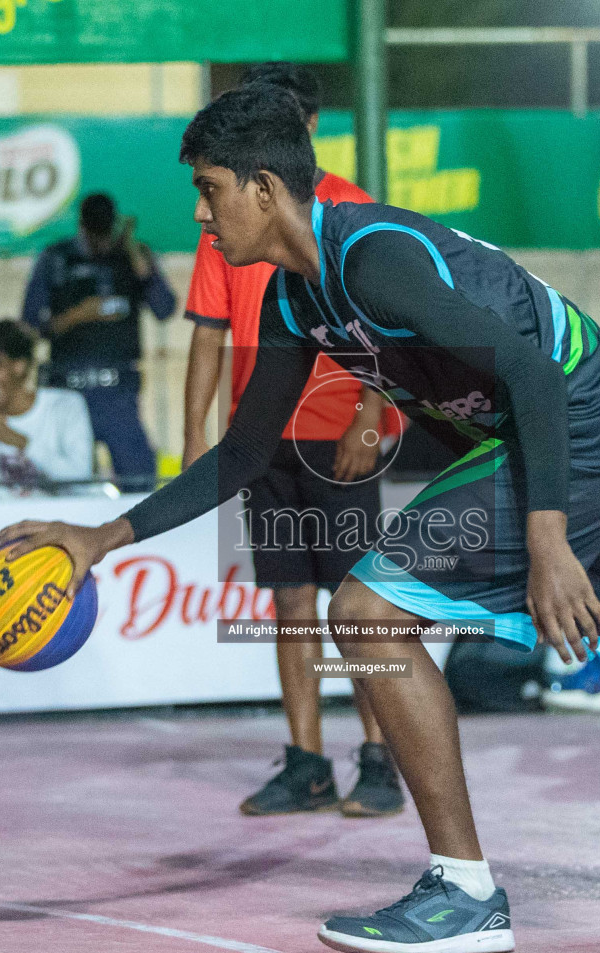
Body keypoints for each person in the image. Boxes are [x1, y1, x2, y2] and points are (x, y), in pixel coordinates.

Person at [0, 86, 600, 953]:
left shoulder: (372, 258)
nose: (199, 215)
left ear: (262, 187)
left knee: (367, 614)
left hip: (580, 426)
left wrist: (548, 540)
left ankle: (463, 892)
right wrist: (99, 540)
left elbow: (531, 373)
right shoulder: (297, 296)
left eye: (209, 191)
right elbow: (247, 452)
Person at [182, 62, 402, 817]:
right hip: (261, 435)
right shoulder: (227, 210)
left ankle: (380, 757)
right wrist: (193, 441)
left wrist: (369, 415)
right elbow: (207, 334)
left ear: (306, 126)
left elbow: (388, 329)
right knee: (291, 604)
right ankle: (307, 761)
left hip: (337, 432)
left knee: (358, 604)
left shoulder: (348, 209)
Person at [21, 192, 177, 492]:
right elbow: (27, 327)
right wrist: (76, 316)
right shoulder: (56, 258)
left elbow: (165, 309)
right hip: (67, 390)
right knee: (67, 482)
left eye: (105, 231)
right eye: (94, 232)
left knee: (139, 481)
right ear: (81, 226)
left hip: (119, 392)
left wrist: (141, 265)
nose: (100, 241)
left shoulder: (133, 256)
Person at [0, 320, 95, 499]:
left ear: (20, 365)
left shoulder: (65, 406)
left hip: (57, 523)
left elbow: (81, 484)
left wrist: (15, 439)